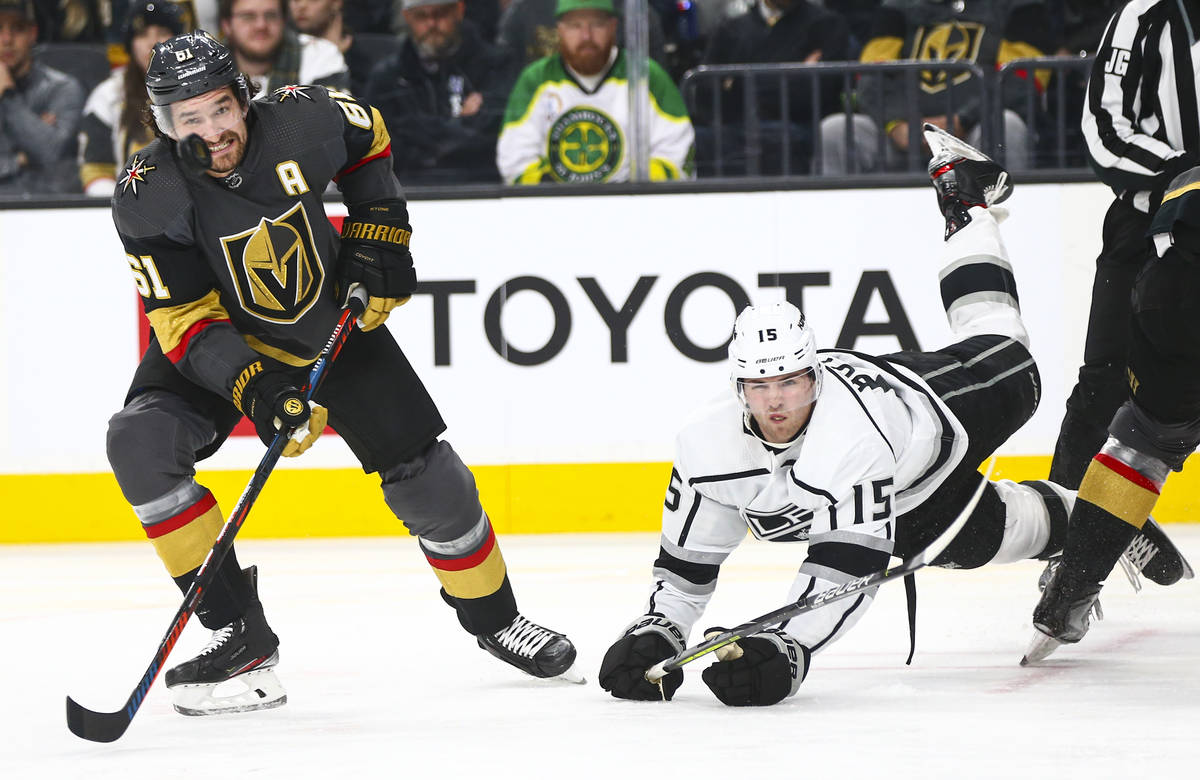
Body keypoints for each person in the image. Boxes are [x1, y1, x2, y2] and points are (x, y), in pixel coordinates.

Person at [597, 124, 1184, 706]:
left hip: (931, 414)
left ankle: (965, 201)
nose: (776, 401)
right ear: (737, 388)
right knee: (995, 536)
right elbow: (686, 567)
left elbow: (842, 570)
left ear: (816, 376)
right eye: (760, 386)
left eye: (792, 383)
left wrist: (787, 648)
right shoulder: (707, 444)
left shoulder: (850, 437)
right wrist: (657, 630)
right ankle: (1100, 518)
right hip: (903, 499)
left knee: (1005, 348)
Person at [106, 30, 581, 717]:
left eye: (219, 109)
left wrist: (379, 226)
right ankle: (239, 633)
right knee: (139, 444)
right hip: (223, 338)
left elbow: (371, 141)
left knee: (434, 483)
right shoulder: (146, 194)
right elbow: (184, 321)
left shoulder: (303, 116)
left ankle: (497, 620)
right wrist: (256, 390)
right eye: (189, 119)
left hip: (329, 320)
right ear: (162, 124)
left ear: (243, 96)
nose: (211, 131)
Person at [1049, 0, 1200, 490]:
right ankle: (1066, 523)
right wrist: (1186, 177)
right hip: (1145, 227)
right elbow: (1104, 132)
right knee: (1106, 381)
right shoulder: (1143, 15)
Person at [819, 0, 1054, 175]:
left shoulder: (1021, 7)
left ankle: (1013, 222)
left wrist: (962, 120)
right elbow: (870, 77)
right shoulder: (897, 8)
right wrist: (898, 123)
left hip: (973, 134)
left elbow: (1020, 79)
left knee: (1007, 124)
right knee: (837, 129)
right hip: (906, 134)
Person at [496, 0, 694, 184]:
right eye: (575, 25)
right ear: (560, 30)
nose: (586, 36)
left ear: (613, 27)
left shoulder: (645, 75)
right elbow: (515, 157)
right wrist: (554, 196)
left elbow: (676, 151)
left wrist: (629, 195)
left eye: (597, 24)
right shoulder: (535, 79)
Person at [364, 0, 516, 185]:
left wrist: (417, 128)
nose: (432, 24)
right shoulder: (387, 77)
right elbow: (381, 146)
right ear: (407, 17)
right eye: (421, 16)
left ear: (459, 10)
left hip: (483, 184)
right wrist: (460, 122)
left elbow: (498, 136)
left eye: (440, 14)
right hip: (408, 188)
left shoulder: (497, 65)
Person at [695, 0, 850, 175]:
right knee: (699, 140)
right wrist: (792, 76)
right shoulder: (731, 28)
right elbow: (705, 90)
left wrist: (739, 84)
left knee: (778, 138)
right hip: (737, 127)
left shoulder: (827, 24)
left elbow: (817, 91)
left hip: (799, 128)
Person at [79, 0, 186, 195]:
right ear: (130, 45)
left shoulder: (203, 91)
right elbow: (96, 170)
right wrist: (127, 206)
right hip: (128, 211)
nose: (153, 43)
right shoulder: (108, 95)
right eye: (142, 34)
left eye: (162, 33)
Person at [0, 0, 84, 195]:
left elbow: (52, 155)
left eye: (17, 29)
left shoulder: (63, 88)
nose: (6, 40)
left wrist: (8, 96)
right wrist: (19, 159)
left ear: (33, 34)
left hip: (46, 208)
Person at [219, 0, 347, 99]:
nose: (261, 25)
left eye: (271, 16)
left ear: (284, 21)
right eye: (248, 17)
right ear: (227, 25)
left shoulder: (319, 54)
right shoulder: (210, 67)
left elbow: (332, 124)